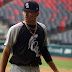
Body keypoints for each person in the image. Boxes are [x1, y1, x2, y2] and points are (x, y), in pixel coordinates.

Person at [0, 1, 59, 72]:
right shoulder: (15, 29)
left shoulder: (42, 29)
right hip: (18, 68)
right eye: (24, 11)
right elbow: (6, 51)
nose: (26, 14)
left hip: (35, 68)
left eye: (30, 12)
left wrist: (55, 70)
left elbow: (44, 51)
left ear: (37, 13)